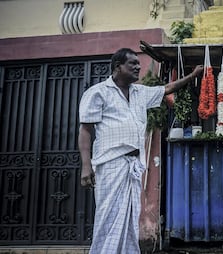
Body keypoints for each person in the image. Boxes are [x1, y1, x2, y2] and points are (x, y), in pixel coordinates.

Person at [78, 47, 203, 254]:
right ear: (118, 67)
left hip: (133, 166)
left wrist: (192, 76)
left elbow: (167, 88)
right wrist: (85, 166)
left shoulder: (140, 92)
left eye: (139, 63)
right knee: (108, 217)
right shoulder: (97, 92)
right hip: (111, 165)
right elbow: (85, 130)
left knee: (129, 218)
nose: (138, 67)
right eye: (132, 64)